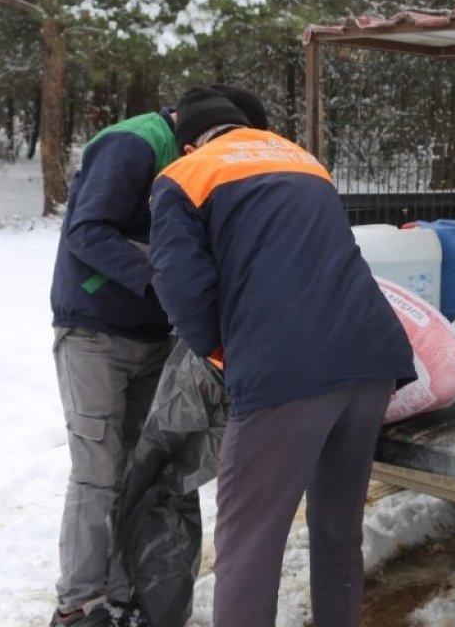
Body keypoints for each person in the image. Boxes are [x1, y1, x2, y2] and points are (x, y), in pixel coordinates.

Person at [147, 87, 416, 627]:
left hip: (285, 373)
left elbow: (179, 284)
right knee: (338, 529)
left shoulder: (186, 175)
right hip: (371, 359)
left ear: (188, 142)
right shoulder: (302, 159)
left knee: (249, 542)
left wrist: (221, 351)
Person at [47, 103, 181, 627]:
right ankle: (79, 604)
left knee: (140, 469)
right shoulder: (134, 144)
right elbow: (88, 230)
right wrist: (163, 275)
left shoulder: (196, 160)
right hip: (94, 331)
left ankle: (126, 595)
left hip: (155, 335)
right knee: (97, 471)